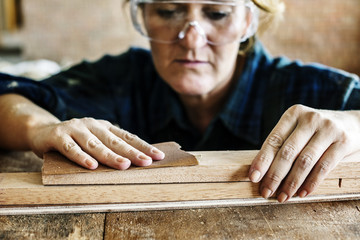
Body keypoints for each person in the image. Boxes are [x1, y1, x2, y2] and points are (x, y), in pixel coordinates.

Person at [0, 0, 359, 203]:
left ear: (249, 22)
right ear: (143, 15)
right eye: (169, 11)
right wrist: (39, 126)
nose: (190, 39)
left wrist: (354, 125)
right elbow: (9, 91)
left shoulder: (309, 87)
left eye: (216, 14)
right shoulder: (122, 80)